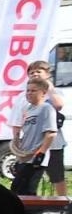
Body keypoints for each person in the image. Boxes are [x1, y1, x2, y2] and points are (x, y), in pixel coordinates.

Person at [11, 78, 58, 214]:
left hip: (37, 157)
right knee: (17, 188)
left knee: (29, 189)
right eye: (28, 90)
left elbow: (50, 133)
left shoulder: (46, 109)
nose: (29, 93)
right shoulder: (27, 110)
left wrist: (41, 153)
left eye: (33, 91)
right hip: (24, 156)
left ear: (43, 93)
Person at [27, 60, 66, 201]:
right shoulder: (28, 93)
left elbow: (59, 105)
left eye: (39, 71)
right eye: (32, 72)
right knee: (31, 178)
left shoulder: (54, 91)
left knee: (56, 176)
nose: (35, 74)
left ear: (47, 74)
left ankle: (64, 207)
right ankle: (35, 210)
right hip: (32, 143)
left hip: (53, 142)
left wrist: (48, 86)